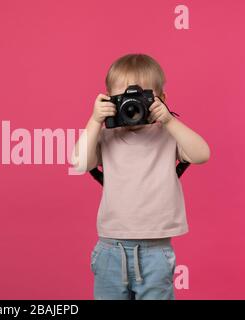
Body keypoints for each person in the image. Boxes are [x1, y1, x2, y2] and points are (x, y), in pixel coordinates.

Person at [71, 53, 211, 299]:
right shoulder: (105, 137)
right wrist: (95, 120)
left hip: (155, 251)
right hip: (110, 249)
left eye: (141, 98)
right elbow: (80, 163)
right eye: (123, 99)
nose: (132, 106)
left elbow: (202, 154)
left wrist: (168, 120)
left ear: (161, 99)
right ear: (110, 100)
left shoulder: (168, 135)